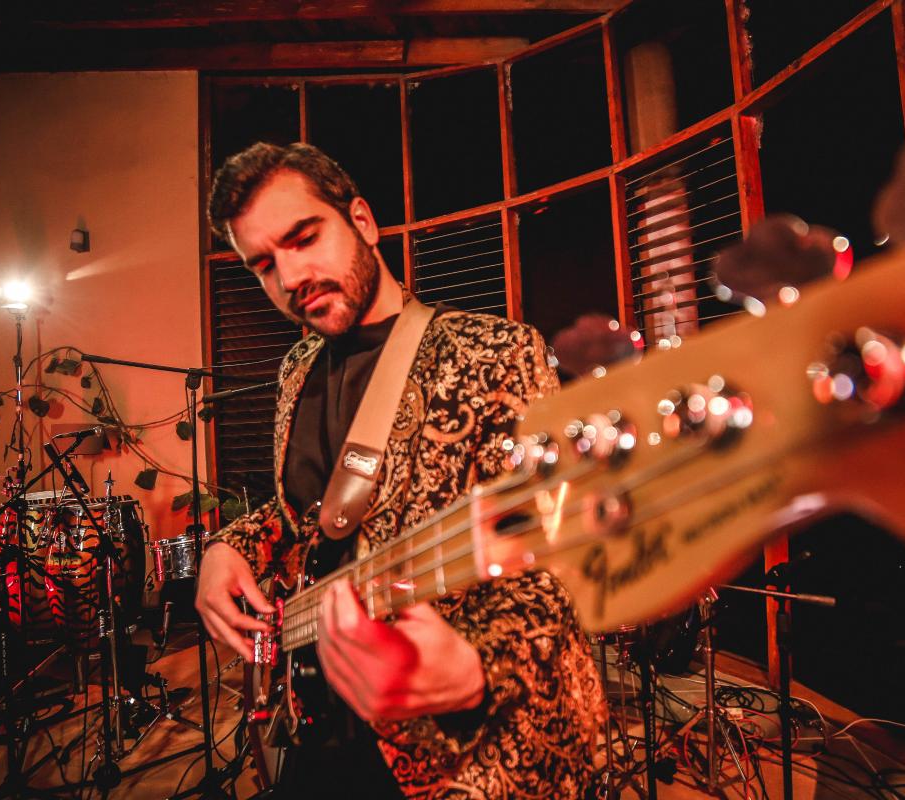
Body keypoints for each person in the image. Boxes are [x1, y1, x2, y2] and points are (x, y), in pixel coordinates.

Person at [196, 142, 603, 798]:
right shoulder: (297, 368)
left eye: (304, 238)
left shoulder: (494, 353)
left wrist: (476, 667)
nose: (290, 277)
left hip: (462, 754)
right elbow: (305, 513)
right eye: (264, 265)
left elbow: (563, 551)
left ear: (361, 220)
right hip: (319, 715)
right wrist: (227, 546)